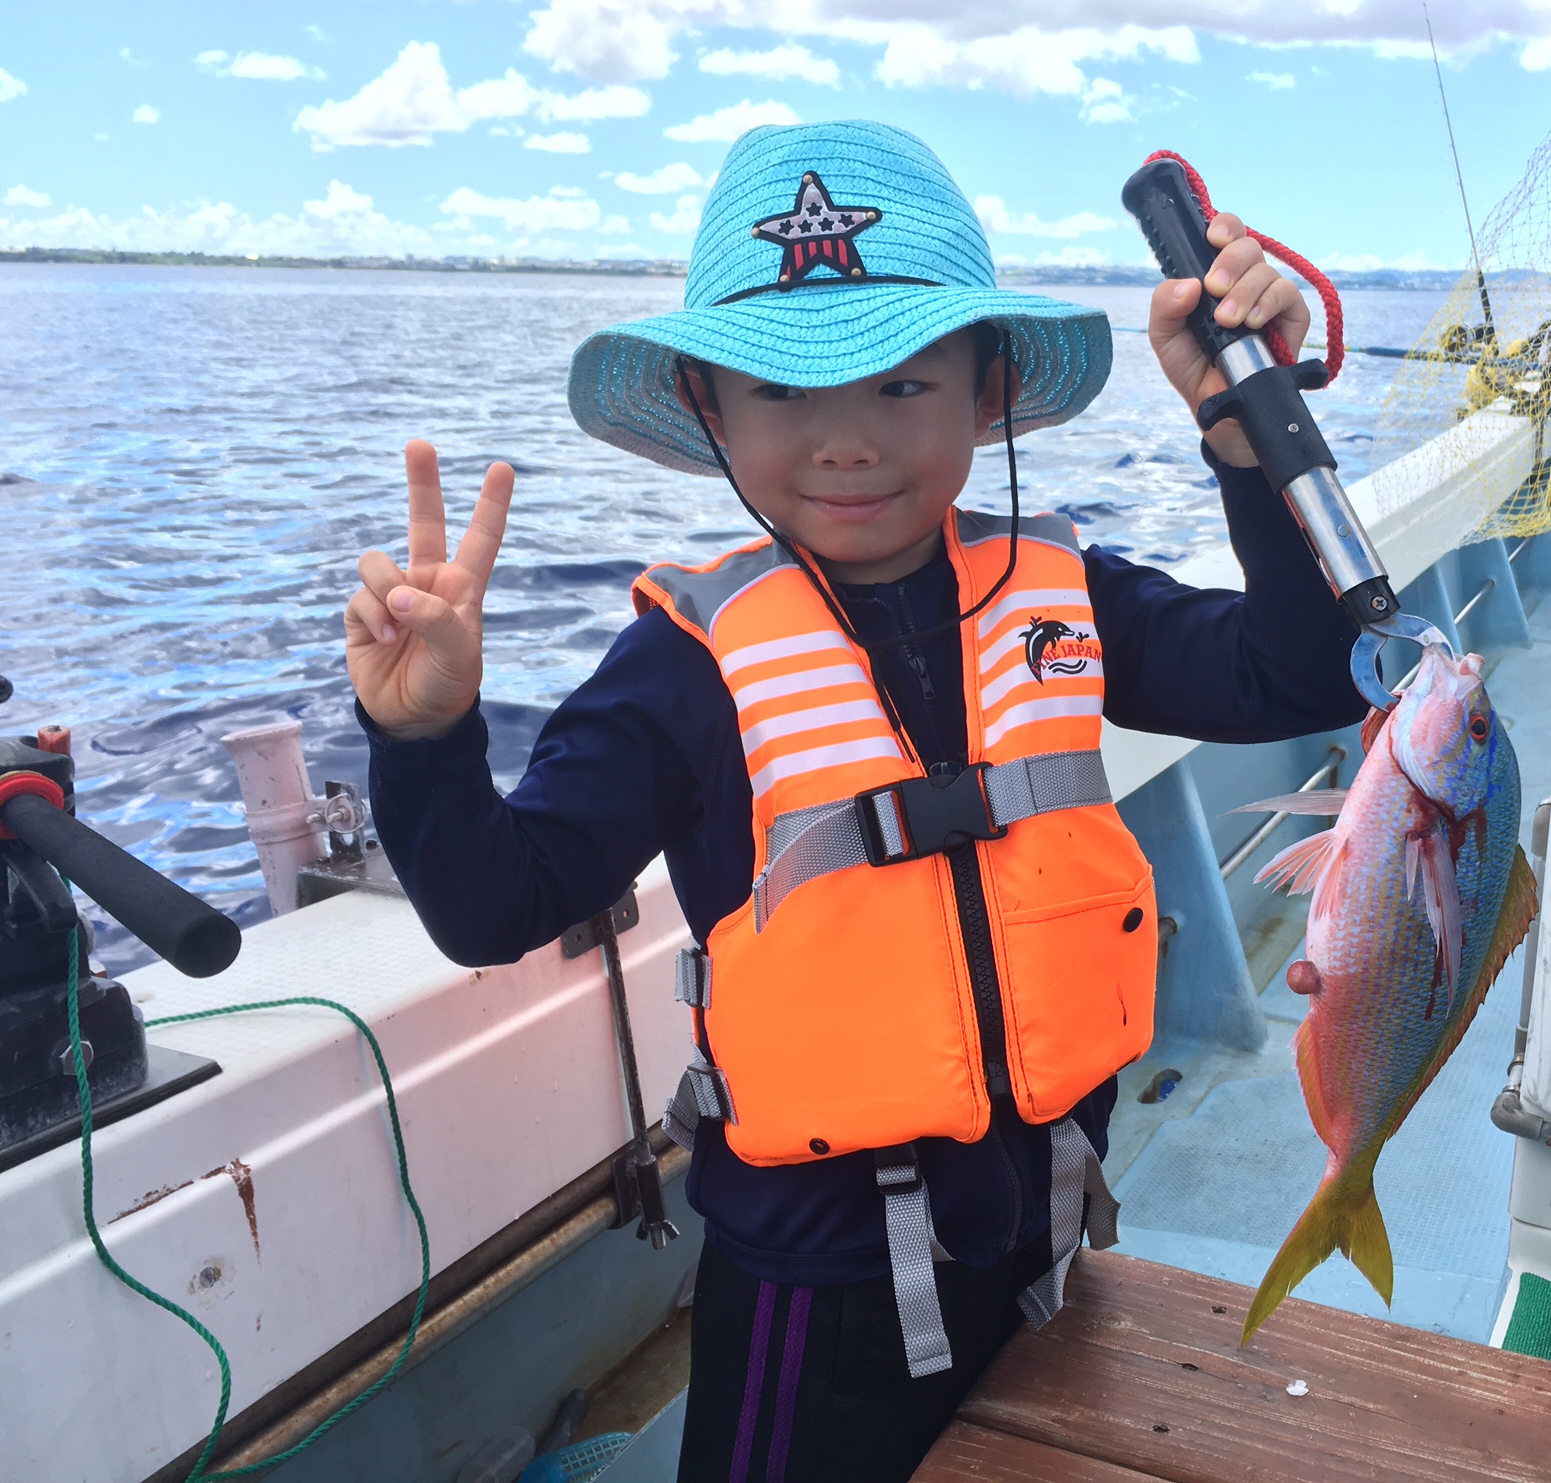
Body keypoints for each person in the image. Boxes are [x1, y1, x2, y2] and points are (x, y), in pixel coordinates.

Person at [345, 119, 1364, 1482]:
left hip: (1051, 1224)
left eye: (901, 383)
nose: (842, 441)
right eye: (779, 391)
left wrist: (1247, 437)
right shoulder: (682, 661)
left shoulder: (1065, 592)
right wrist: (424, 737)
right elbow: (494, 902)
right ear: (708, 407)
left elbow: (1300, 673)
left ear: (988, 390)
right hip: (811, 1287)